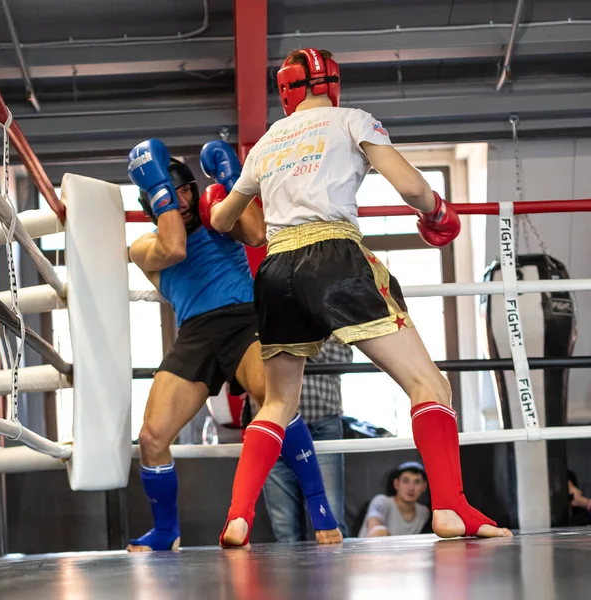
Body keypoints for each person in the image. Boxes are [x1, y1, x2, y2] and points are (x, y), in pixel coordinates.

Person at [204, 48, 513, 546]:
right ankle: (452, 509)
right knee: (429, 386)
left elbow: (222, 221)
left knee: (278, 402)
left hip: (277, 270)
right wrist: (437, 212)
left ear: (286, 89)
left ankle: (237, 516)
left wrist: (217, 196)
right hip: (335, 260)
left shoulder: (265, 144)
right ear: (332, 84)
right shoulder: (352, 120)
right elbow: (411, 187)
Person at [125, 138, 342, 551]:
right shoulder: (142, 246)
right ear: (151, 200)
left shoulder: (216, 217)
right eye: (171, 193)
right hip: (194, 334)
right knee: (152, 438)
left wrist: (233, 181)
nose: (183, 200)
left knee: (273, 399)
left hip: (244, 320)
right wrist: (161, 192)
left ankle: (319, 506)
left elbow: (259, 234)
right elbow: (174, 247)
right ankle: (166, 530)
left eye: (185, 189)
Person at [262, 338, 352, 541]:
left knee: (332, 520)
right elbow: (249, 362)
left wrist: (287, 345)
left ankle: (335, 573)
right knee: (285, 530)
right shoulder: (260, 311)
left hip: (321, 424)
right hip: (275, 427)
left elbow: (342, 358)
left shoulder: (324, 311)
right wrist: (307, 343)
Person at [358, 461, 430, 537]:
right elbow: (375, 530)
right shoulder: (381, 501)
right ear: (396, 484)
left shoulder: (423, 512)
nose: (411, 488)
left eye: (417, 482)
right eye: (405, 481)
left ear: (424, 486)